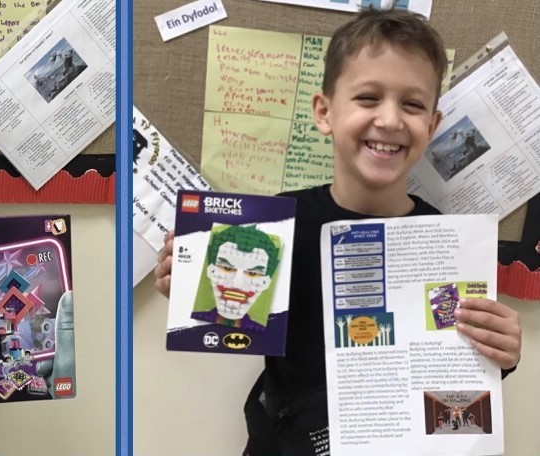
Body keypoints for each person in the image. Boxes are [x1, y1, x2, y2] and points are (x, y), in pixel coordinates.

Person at [154, 9, 521, 455]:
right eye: (368, 98)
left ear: (432, 126)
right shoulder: (272, 227)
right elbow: (236, 321)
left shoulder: (446, 243)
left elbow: (453, 367)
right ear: (324, 112)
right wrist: (193, 288)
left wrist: (500, 353)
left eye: (412, 104)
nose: (389, 120)